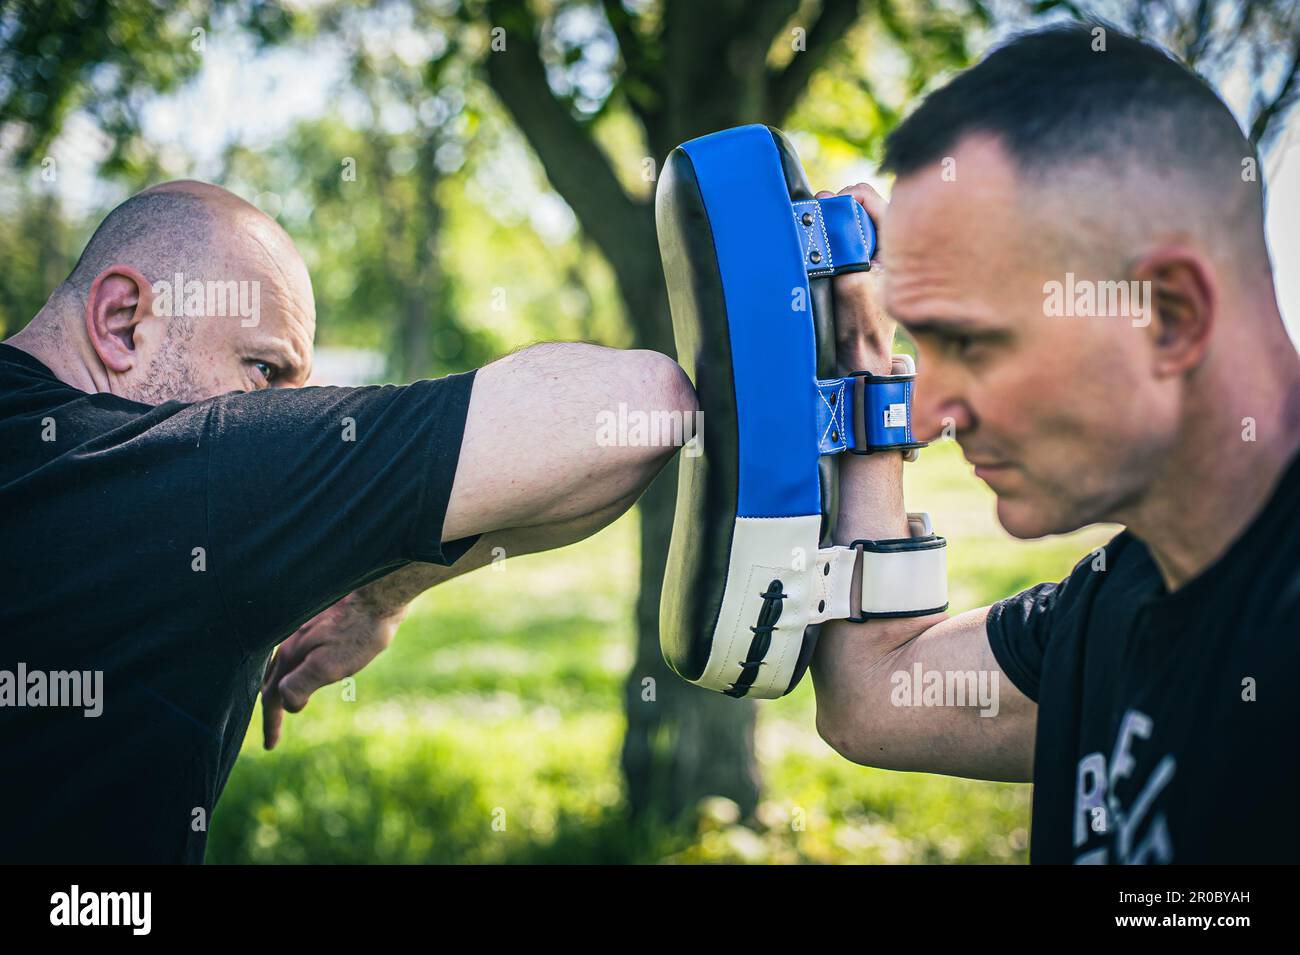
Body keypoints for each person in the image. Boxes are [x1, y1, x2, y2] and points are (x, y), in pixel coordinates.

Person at [0, 180, 695, 862]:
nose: (274, 413)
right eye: (267, 372)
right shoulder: (183, 478)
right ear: (124, 320)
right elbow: (646, 407)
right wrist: (381, 591)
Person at [812, 24, 1300, 863]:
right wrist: (864, 368)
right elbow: (871, 693)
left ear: (1170, 314)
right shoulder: (1109, 603)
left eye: (972, 343)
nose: (925, 420)